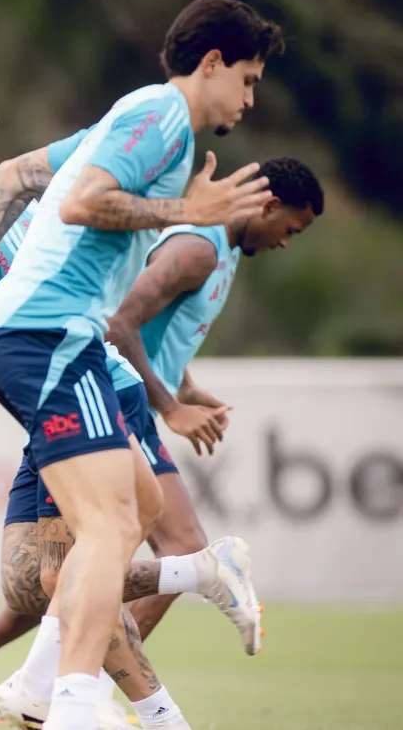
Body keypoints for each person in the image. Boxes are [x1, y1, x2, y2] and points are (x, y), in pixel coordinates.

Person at [0, 0, 284, 729]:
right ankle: (71, 701)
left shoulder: (133, 120)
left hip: (41, 334)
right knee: (105, 526)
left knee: (141, 511)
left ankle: (194, 577)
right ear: (210, 63)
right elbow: (82, 205)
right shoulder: (157, 116)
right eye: (246, 79)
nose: (249, 97)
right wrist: (189, 213)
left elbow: (14, 178)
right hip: (49, 333)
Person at [104, 155, 323, 627]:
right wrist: (169, 407)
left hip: (128, 406)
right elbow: (118, 324)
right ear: (270, 204)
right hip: (116, 406)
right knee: (180, 548)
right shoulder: (196, 248)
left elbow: (159, 328)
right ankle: (74, 687)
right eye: (291, 229)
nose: (285, 242)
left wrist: (185, 387)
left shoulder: (222, 248)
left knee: (61, 565)